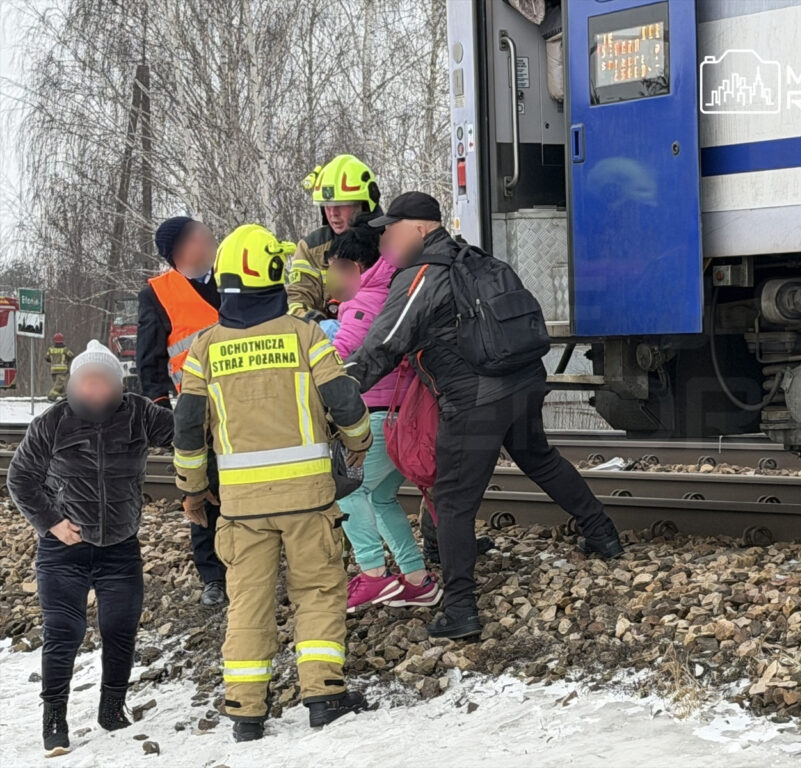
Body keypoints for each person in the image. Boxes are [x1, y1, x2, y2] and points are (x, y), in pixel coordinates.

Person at [343, 192, 624, 641]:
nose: (385, 243)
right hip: (524, 381)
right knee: (539, 458)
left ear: (419, 228)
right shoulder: (477, 259)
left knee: (453, 500)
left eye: (391, 232)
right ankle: (603, 533)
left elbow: (384, 342)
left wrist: (340, 389)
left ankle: (460, 610)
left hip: (476, 399)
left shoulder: (422, 274)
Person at [173, 223, 373, 742]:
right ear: (275, 274)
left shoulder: (205, 349)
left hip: (241, 508)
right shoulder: (305, 336)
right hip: (309, 500)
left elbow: (188, 426)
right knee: (318, 592)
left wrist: (192, 489)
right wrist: (359, 441)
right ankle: (324, 696)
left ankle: (245, 711)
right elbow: (344, 401)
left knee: (248, 603)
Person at [7, 340, 175, 757]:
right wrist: (51, 522)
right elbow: (21, 478)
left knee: (120, 628)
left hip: (120, 547)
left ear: (119, 385)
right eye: (87, 382)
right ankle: (54, 719)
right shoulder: (52, 422)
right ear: (74, 385)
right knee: (64, 631)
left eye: (103, 382)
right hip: (64, 550)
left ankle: (112, 708)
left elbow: (186, 433)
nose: (95, 390)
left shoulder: (139, 414)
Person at [326, 214, 441, 611]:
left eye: (335, 269)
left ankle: (374, 574)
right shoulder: (394, 290)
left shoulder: (363, 303)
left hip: (375, 412)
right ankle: (417, 581)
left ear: (355, 267)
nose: (331, 278)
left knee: (347, 489)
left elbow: (341, 356)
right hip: (401, 414)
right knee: (381, 497)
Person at [138, 216, 226, 606]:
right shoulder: (158, 293)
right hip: (197, 411)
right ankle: (213, 578)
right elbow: (150, 362)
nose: (209, 239)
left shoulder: (234, 276)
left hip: (248, 404)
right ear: (179, 249)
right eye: (199, 235)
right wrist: (163, 416)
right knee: (202, 491)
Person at [287, 154, 381, 321]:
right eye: (327, 206)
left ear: (364, 204)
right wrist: (317, 323)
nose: (333, 213)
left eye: (341, 205)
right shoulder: (311, 248)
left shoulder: (388, 243)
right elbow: (297, 299)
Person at [45, 333, 74, 401]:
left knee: (59, 385)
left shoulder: (51, 349)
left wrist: (53, 361)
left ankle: (65, 396)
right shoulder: (65, 350)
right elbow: (71, 355)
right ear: (62, 341)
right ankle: (51, 396)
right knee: (58, 385)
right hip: (62, 371)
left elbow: (46, 358)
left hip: (53, 370)